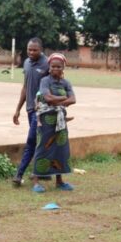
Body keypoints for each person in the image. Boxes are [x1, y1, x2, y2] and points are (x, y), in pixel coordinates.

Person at [31, 53, 76, 192]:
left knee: (60, 149)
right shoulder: (45, 81)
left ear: (63, 68)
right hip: (45, 121)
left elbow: (73, 99)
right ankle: (36, 182)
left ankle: (59, 181)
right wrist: (63, 97)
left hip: (60, 120)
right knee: (42, 147)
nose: (56, 69)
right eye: (53, 66)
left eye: (59, 66)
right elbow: (47, 98)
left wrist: (58, 100)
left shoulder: (66, 83)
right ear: (49, 67)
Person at [11, 37, 49, 187]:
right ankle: (43, 171)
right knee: (40, 141)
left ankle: (19, 174)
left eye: (35, 50)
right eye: (29, 49)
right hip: (29, 109)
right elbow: (25, 87)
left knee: (32, 141)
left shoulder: (47, 64)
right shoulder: (26, 63)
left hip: (42, 110)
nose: (31, 52)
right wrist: (18, 109)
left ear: (41, 50)